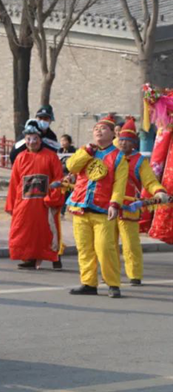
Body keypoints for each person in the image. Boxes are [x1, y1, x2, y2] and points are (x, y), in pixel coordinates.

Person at [65, 114, 128, 298]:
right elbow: (72, 166)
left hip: (102, 209)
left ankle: (113, 283)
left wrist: (114, 204)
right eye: (96, 129)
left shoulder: (118, 157)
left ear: (112, 134)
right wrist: (86, 152)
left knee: (105, 248)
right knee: (84, 248)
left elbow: (119, 183)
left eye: (103, 129)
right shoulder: (86, 151)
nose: (99, 131)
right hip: (80, 206)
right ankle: (88, 283)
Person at [5, 120, 66, 270]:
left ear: (40, 140)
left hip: (45, 202)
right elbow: (15, 182)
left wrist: (53, 197)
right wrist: (11, 204)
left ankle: (55, 256)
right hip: (24, 202)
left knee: (49, 229)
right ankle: (29, 258)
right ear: (25, 141)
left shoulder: (51, 157)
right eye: (29, 139)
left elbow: (58, 178)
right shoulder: (20, 158)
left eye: (35, 139)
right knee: (25, 230)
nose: (32, 142)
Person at [115, 117, 168, 286]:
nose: (123, 144)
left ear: (134, 144)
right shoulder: (111, 157)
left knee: (130, 245)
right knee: (107, 245)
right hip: (107, 207)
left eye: (127, 141)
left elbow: (150, 181)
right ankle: (110, 274)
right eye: (121, 140)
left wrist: (159, 191)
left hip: (130, 207)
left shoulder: (140, 161)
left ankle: (134, 275)